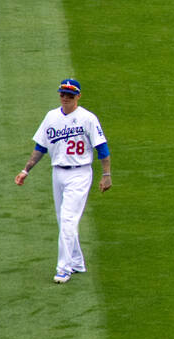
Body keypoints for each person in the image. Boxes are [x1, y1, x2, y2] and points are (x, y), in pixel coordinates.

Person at [15, 79, 111, 283]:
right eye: (63, 94)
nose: (65, 98)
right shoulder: (51, 117)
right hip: (57, 172)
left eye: (70, 95)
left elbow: (102, 147)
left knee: (68, 220)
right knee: (63, 220)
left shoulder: (87, 118)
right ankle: (76, 262)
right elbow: (41, 147)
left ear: (78, 96)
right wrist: (26, 170)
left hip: (80, 173)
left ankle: (63, 268)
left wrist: (106, 175)